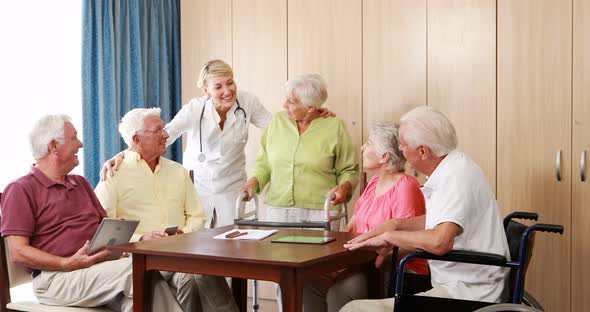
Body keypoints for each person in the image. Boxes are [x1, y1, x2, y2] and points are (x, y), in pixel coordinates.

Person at [101, 59, 333, 228]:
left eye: (230, 83)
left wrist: (311, 112)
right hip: (197, 190)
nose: (227, 91)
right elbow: (162, 135)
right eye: (218, 86)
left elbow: (278, 128)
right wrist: (123, 154)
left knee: (234, 254)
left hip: (232, 188)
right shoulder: (194, 109)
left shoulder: (247, 103)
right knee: (200, 254)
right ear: (206, 90)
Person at [0, 114, 183, 311]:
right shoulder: (20, 189)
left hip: (97, 270)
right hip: (56, 278)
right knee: (137, 272)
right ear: (53, 146)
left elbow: (107, 229)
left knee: (146, 290)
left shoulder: (80, 183)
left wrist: (128, 245)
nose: (80, 144)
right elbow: (17, 251)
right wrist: (66, 263)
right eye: (74, 138)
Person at [340, 106, 511, 311]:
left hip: (468, 293)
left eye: (402, 145)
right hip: (458, 284)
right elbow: (442, 220)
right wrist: (396, 224)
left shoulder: (456, 177)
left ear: (423, 151)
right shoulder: (452, 168)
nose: (400, 151)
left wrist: (390, 237)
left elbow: (440, 242)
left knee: (353, 309)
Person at [94, 108, 238, 312]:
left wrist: (182, 237)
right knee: (199, 273)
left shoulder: (178, 172)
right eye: (158, 130)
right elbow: (105, 228)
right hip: (142, 260)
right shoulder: (113, 174)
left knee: (197, 274)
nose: (166, 134)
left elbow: (197, 215)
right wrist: (141, 238)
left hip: (182, 254)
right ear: (137, 138)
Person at [239, 74, 359, 311]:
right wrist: (254, 181)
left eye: (292, 101)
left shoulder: (334, 127)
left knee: (316, 274)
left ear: (311, 107)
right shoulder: (277, 124)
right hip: (279, 210)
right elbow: (264, 163)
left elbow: (349, 170)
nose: (285, 105)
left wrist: (344, 187)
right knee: (282, 274)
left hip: (318, 212)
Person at [302, 123, 427, 312]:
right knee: (310, 283)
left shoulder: (406, 187)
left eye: (368, 143)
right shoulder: (374, 182)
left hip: (392, 269)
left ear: (384, 156)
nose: (362, 147)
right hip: (360, 263)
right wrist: (333, 260)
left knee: (342, 290)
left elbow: (409, 245)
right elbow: (351, 227)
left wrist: (356, 263)